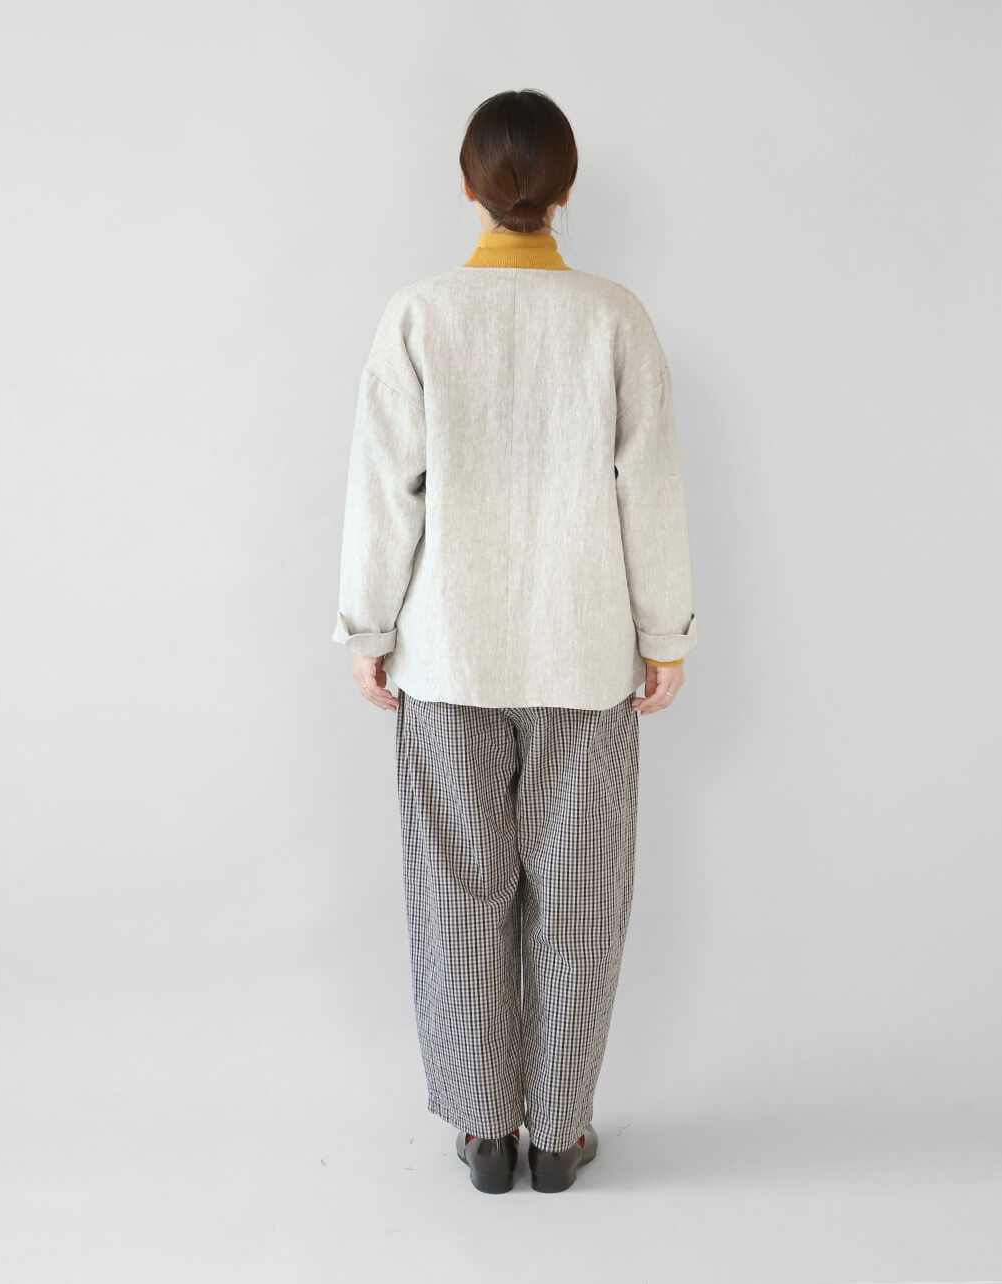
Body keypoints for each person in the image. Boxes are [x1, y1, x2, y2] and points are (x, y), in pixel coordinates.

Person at [332, 88, 696, 1194]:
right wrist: (663, 634)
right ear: (565, 188)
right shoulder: (614, 318)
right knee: (579, 904)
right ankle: (558, 1134)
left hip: (451, 657)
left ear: (466, 184)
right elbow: (648, 490)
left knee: (459, 897)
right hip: (584, 659)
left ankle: (483, 1131)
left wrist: (368, 627)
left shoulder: (418, 315)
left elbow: (384, 490)